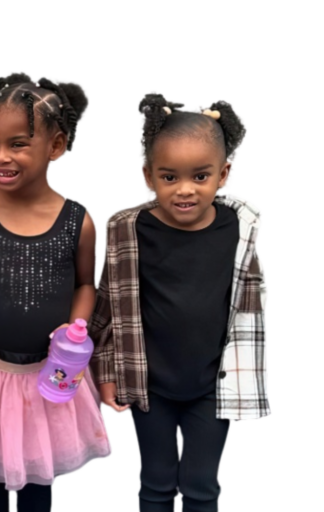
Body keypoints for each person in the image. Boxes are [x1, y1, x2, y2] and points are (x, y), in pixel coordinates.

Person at [0, 71, 112, 512]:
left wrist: (76, 329)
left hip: (50, 379)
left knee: (39, 485)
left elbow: (87, 283)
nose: (0, 156)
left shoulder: (80, 221)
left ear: (55, 146)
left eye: (18, 143)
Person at [89, 91, 268, 512]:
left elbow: (251, 306)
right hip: (150, 385)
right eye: (170, 177)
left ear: (224, 175)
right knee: (154, 482)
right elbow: (109, 307)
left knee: (203, 486)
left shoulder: (240, 229)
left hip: (212, 387)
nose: (184, 190)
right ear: (148, 176)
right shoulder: (126, 229)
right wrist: (106, 371)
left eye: (200, 176)